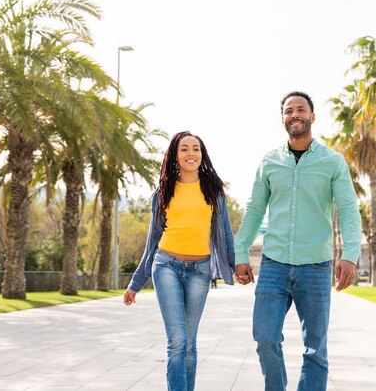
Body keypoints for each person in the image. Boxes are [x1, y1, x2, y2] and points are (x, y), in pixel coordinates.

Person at [234, 91, 362, 391]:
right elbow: (254, 210)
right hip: (274, 265)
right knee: (265, 339)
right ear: (283, 119)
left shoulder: (333, 162)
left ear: (312, 116)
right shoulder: (270, 162)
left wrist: (350, 255)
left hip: (315, 267)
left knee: (315, 349)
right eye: (289, 110)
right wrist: (241, 252)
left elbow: (347, 209)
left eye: (301, 109)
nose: (295, 115)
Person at [124, 131, 235, 391]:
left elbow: (225, 234)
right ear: (175, 155)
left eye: (195, 149)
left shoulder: (214, 192)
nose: (190, 154)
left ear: (202, 154)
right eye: (184, 149)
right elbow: (152, 240)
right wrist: (136, 282)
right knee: (177, 341)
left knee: (190, 343)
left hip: (200, 269)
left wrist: (235, 265)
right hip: (166, 266)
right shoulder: (163, 192)